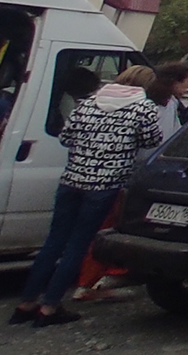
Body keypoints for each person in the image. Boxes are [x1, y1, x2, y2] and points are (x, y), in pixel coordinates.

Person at [12, 68, 162, 326]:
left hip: (72, 180)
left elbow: (65, 138)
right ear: (145, 85)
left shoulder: (88, 103)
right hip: (105, 184)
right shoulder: (143, 108)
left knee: (53, 242)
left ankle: (26, 303)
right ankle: (49, 307)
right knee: (78, 245)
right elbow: (152, 141)